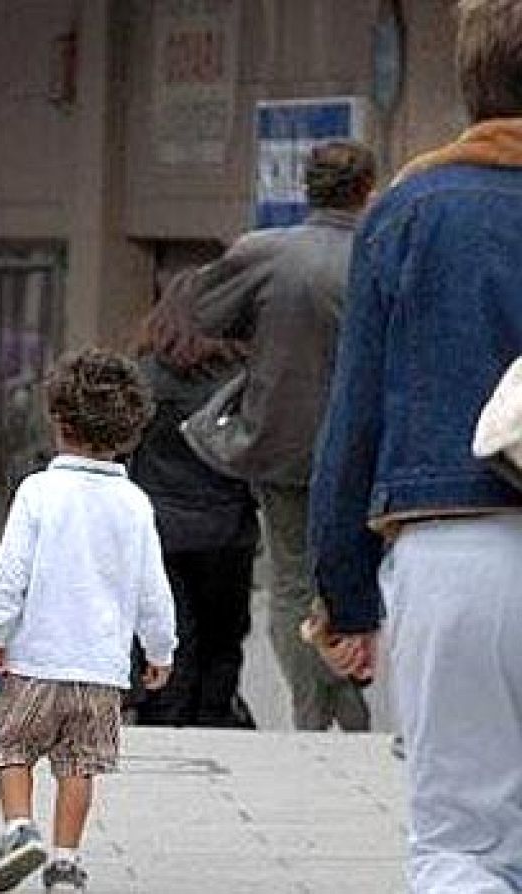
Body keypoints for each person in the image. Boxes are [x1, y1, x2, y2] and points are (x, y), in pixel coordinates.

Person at [310, 2, 522, 888]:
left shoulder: (411, 211)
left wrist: (345, 593)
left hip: (456, 536)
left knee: (461, 844)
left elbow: (355, 416)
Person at [0, 348, 176, 894]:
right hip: (103, 669)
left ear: (58, 419)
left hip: (39, 657)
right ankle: (65, 861)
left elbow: (10, 569)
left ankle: (18, 829)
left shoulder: (39, 491)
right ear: (130, 431)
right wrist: (160, 649)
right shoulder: (134, 503)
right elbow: (152, 587)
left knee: (11, 745)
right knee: (79, 764)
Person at [189, 140, 377, 732]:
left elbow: (204, 311)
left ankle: (315, 707)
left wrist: (262, 332)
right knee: (359, 570)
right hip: (364, 442)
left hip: (283, 438)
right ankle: (345, 697)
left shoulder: (267, 254)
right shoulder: (379, 255)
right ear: (367, 189)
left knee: (292, 577)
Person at [129, 271, 261, 728]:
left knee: (169, 634)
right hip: (227, 528)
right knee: (223, 638)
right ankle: (214, 719)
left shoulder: (143, 378)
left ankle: (166, 719)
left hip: (159, 529)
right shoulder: (240, 380)